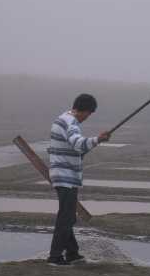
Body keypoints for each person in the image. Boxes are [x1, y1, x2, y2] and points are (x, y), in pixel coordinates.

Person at [47, 93, 110, 265]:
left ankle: (72, 253)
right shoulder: (70, 122)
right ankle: (55, 256)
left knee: (68, 216)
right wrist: (97, 139)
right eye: (89, 114)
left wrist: (95, 141)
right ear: (84, 110)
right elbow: (78, 144)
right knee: (66, 217)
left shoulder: (63, 119)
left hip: (64, 175)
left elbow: (76, 149)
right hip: (65, 176)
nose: (87, 118)